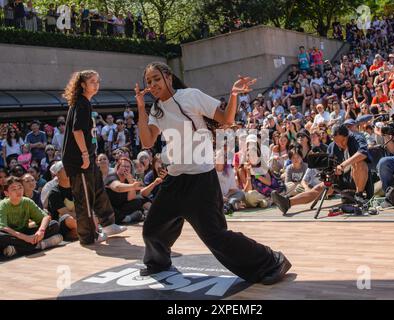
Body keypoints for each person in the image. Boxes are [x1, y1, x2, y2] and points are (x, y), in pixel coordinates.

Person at [135, 61, 290, 285]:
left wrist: (234, 94)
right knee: (151, 230)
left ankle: (272, 260)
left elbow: (226, 119)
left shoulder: (191, 96)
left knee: (215, 237)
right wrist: (141, 107)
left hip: (200, 181)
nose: (152, 84)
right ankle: (158, 264)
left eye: (156, 78)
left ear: (168, 77)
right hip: (174, 181)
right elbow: (147, 140)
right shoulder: (157, 110)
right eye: (148, 81)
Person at [62, 70, 126, 245]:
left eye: (98, 81)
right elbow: (77, 131)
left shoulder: (85, 103)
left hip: (88, 157)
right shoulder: (81, 103)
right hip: (79, 160)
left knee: (98, 189)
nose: (96, 84)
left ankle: (108, 224)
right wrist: (84, 154)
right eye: (92, 81)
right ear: (82, 84)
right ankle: (88, 236)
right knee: (84, 198)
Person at [272, 124, 371, 215]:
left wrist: (343, 165)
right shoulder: (332, 147)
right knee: (318, 188)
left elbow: (363, 153)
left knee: (360, 162)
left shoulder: (357, 138)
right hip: (341, 179)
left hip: (358, 179)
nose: (341, 144)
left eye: (343, 141)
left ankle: (359, 194)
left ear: (348, 136)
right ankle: (288, 203)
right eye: (337, 142)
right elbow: (329, 165)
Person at [0, 176, 63, 258]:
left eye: (20, 187)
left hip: (25, 233)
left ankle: (17, 249)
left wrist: (41, 231)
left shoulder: (27, 201)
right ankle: (40, 245)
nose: (18, 191)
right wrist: (26, 238)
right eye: (14, 189)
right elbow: (4, 228)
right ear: (6, 193)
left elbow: (46, 217)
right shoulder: (3, 205)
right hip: (12, 235)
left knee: (54, 224)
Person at [104, 157, 152, 224]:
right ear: (118, 167)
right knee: (108, 210)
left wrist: (130, 182)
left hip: (122, 206)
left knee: (140, 199)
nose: (126, 168)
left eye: (128, 167)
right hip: (111, 207)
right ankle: (127, 218)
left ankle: (152, 214)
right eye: (123, 166)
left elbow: (130, 198)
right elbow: (117, 187)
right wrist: (132, 186)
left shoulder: (129, 179)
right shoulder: (112, 176)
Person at [47, 161, 79, 241]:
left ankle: (77, 232)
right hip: (61, 223)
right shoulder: (54, 192)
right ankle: (85, 231)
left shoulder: (77, 188)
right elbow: (65, 213)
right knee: (68, 218)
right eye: (64, 169)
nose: (68, 170)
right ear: (57, 174)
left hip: (78, 219)